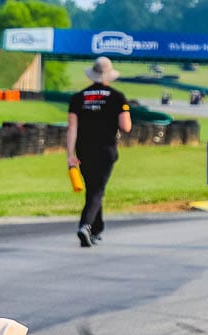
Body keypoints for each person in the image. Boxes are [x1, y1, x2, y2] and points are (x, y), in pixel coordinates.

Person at [67, 56, 132, 248]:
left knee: (93, 188)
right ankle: (85, 226)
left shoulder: (78, 97)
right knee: (97, 190)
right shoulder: (118, 97)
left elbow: (72, 128)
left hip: (84, 149)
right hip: (106, 149)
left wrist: (70, 155)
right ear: (109, 75)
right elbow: (126, 126)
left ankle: (97, 228)